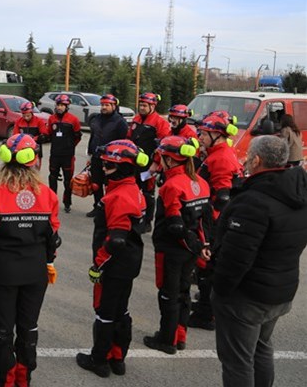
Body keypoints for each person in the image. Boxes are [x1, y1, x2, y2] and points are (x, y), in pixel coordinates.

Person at [0, 134, 61, 387]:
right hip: (36, 272)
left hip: (2, 273)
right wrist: (50, 262)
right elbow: (53, 238)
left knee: (3, 328)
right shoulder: (48, 195)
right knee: (28, 327)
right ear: (34, 161)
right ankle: (23, 379)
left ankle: (3, 379)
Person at [211, 135, 307, 387]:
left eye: (248, 157)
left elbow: (236, 257)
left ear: (256, 160)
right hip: (279, 289)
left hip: (248, 297)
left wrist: (218, 289)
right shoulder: (296, 191)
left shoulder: (255, 200)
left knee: (238, 362)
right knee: (261, 348)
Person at [76, 139, 148, 378]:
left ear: (123, 168)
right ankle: (118, 358)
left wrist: (98, 263)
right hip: (130, 263)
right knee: (122, 310)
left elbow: (115, 240)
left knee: (105, 312)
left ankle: (99, 360)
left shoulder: (117, 197)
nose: (104, 169)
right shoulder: (134, 190)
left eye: (108, 166)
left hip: (114, 265)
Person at [143, 136, 211, 354]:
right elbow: (205, 220)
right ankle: (180, 336)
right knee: (183, 292)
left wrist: (191, 243)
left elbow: (174, 225)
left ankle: (166, 340)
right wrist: (200, 245)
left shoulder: (171, 186)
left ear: (170, 160)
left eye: (161, 158)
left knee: (168, 294)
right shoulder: (200, 182)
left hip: (172, 249)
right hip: (190, 249)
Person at [188, 113, 244, 330]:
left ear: (216, 134)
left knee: (207, 266)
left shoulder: (220, 157)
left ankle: (206, 314)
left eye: (203, 133)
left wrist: (207, 223)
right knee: (206, 268)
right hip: (214, 220)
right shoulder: (219, 152)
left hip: (214, 221)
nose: (199, 137)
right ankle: (205, 303)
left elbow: (222, 196)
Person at [127, 92, 171, 232]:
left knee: (148, 193)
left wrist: (156, 163)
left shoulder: (160, 122)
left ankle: (147, 221)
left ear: (152, 106)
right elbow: (129, 138)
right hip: (134, 162)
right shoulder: (136, 119)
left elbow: (162, 145)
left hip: (149, 164)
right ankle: (132, 215)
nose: (142, 107)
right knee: (131, 189)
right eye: (140, 104)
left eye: (145, 105)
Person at [86, 94, 129, 217]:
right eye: (103, 105)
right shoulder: (97, 119)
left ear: (114, 106)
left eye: (107, 105)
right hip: (96, 157)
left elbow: (123, 143)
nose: (104, 107)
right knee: (95, 184)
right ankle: (97, 207)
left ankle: (110, 208)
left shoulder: (120, 122)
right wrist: (89, 155)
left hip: (112, 160)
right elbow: (92, 137)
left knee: (111, 186)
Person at [46, 94, 82, 213]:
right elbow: (49, 134)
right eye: (58, 105)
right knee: (52, 178)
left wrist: (69, 146)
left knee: (68, 181)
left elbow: (78, 136)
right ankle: (52, 202)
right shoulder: (51, 119)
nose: (60, 107)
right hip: (55, 154)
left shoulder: (73, 120)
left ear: (67, 107)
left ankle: (67, 202)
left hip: (68, 156)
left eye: (62, 105)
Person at [13, 102, 48, 170]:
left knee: (35, 173)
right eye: (24, 115)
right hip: (22, 152)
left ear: (31, 113)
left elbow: (45, 135)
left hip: (35, 151)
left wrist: (34, 139)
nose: (26, 118)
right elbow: (15, 135)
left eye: (28, 115)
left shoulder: (39, 121)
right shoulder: (18, 122)